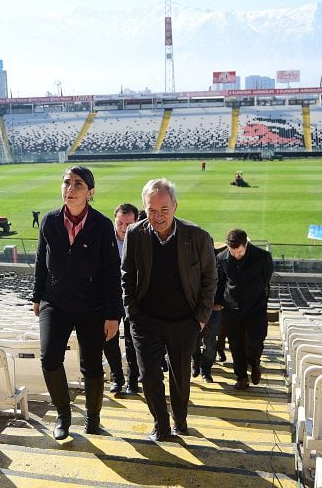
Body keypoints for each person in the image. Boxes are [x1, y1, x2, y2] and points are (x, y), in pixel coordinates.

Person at [122, 178, 217, 441]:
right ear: (144, 208)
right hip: (145, 320)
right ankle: (160, 425)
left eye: (164, 209)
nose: (158, 216)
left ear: (175, 206)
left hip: (184, 321)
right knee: (148, 377)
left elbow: (210, 278)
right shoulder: (135, 233)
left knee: (180, 377)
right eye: (151, 210)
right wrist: (132, 313)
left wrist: (200, 317)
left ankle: (180, 419)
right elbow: (127, 274)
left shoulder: (197, 236)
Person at [32, 166, 121, 440]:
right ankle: (63, 414)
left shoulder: (102, 225)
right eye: (67, 182)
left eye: (78, 184)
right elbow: (40, 261)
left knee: (92, 366)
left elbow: (111, 271)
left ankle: (93, 417)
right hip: (55, 302)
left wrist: (113, 314)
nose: (70, 188)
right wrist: (36, 296)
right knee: (49, 359)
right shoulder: (49, 221)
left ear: (90, 192)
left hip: (91, 306)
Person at [216, 229, 273, 390]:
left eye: (239, 252)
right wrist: (218, 301)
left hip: (255, 307)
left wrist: (253, 294)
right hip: (231, 308)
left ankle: (255, 363)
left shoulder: (263, 257)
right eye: (232, 252)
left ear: (246, 245)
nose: (236, 255)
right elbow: (220, 282)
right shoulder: (221, 258)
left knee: (256, 341)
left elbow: (265, 280)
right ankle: (241, 377)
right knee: (235, 344)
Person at [103, 203, 140, 394]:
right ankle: (117, 378)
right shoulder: (105, 239)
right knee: (109, 339)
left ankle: (133, 381)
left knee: (134, 341)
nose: (124, 228)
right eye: (120, 223)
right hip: (111, 295)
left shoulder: (141, 239)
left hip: (134, 296)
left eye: (128, 224)